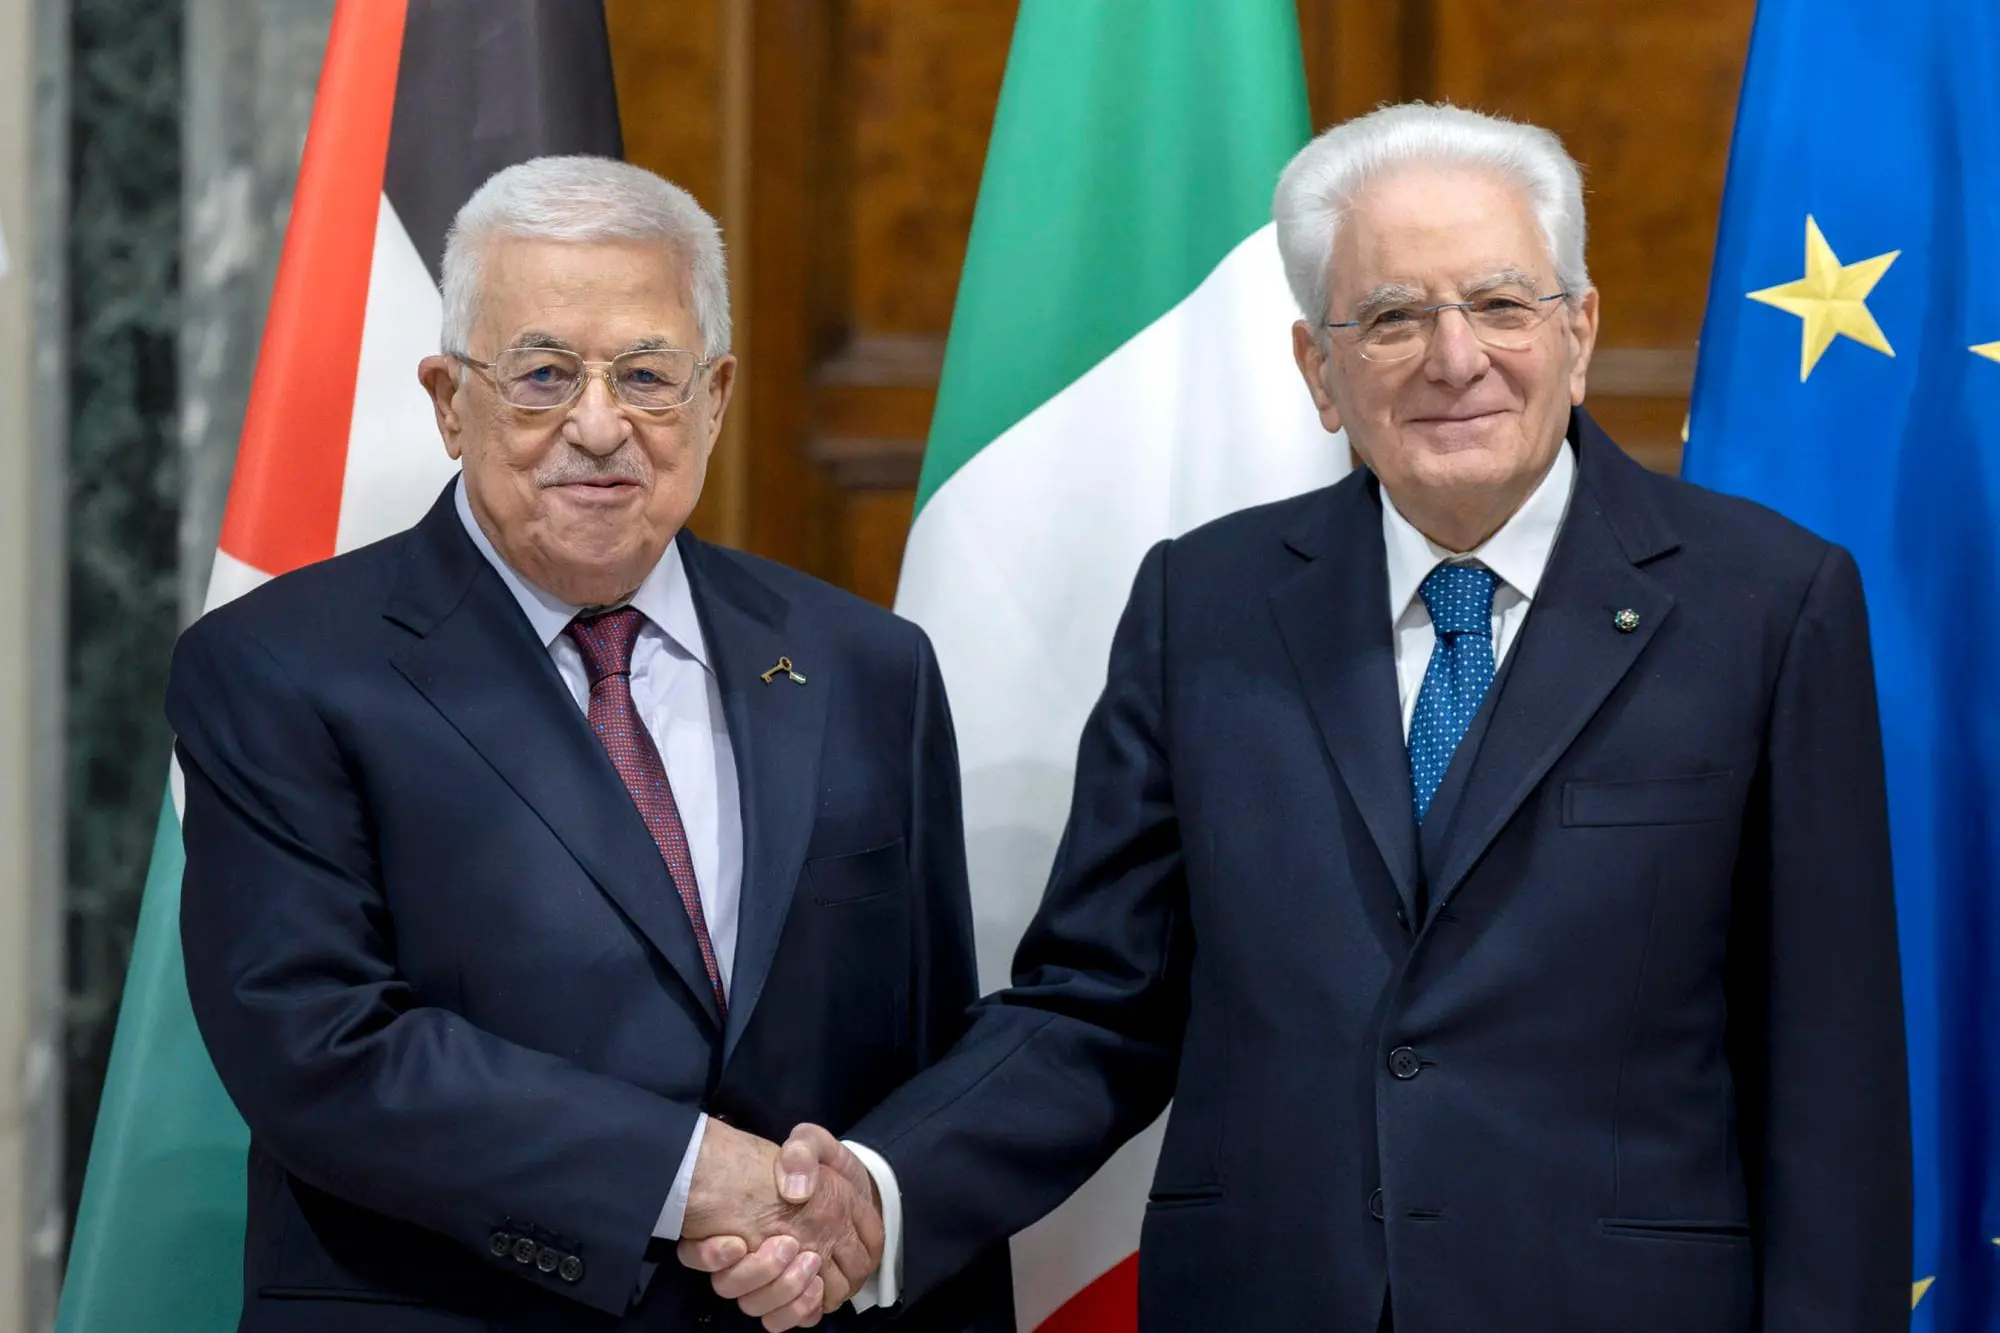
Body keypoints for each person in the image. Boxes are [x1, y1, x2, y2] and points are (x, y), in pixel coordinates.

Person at [689, 103, 1912, 1332]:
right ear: (1318, 371)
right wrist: (878, 1190)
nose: (1452, 357)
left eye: (1499, 304)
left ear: (1577, 331)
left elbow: (1828, 1068)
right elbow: (1100, 1002)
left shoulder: (1765, 604)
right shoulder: (1202, 605)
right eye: (1390, 317)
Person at [169, 155, 1010, 1333]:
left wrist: (850, 1224)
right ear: (447, 399)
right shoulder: (278, 668)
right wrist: (699, 1173)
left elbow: (925, 1060)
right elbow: (319, 1048)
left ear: (713, 396)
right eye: (543, 374)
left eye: (648, 375)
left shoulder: (867, 664)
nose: (600, 424)